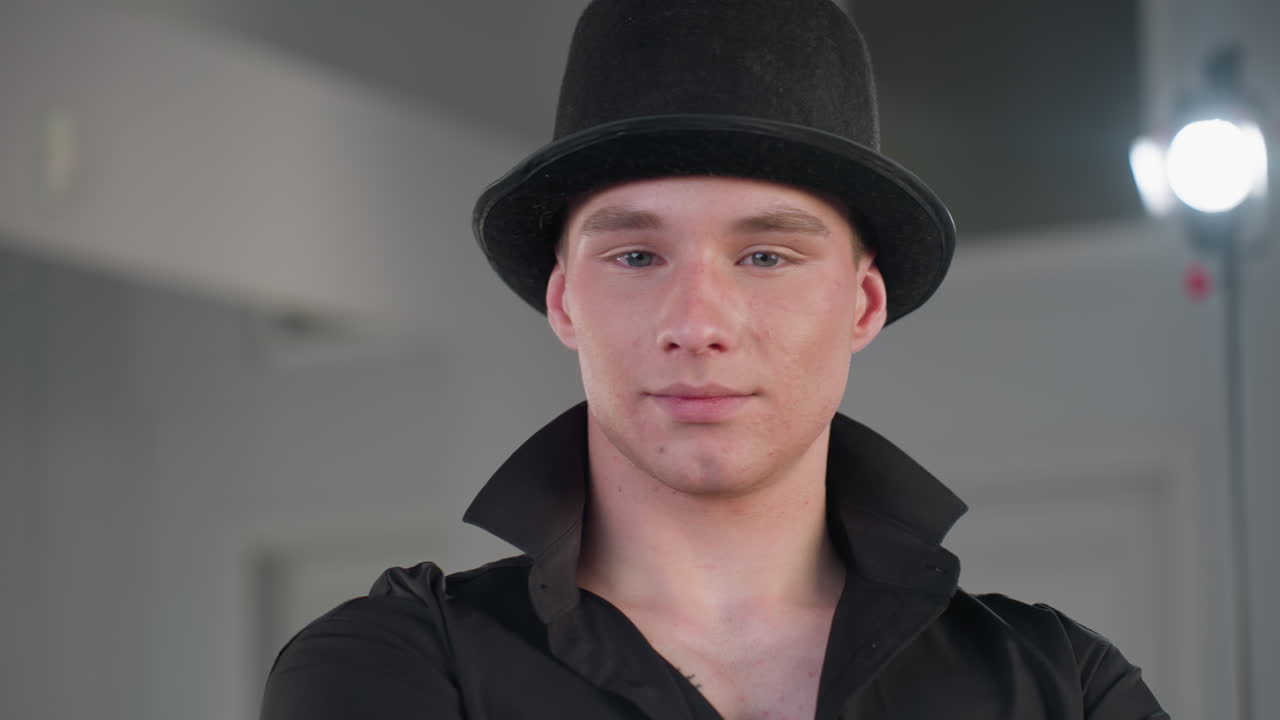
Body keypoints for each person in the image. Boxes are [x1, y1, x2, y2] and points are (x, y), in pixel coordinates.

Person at [261, 1, 1169, 718]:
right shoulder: (398, 667)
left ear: (863, 302)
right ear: (565, 299)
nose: (697, 323)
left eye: (766, 255)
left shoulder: (1063, 689)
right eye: (636, 256)